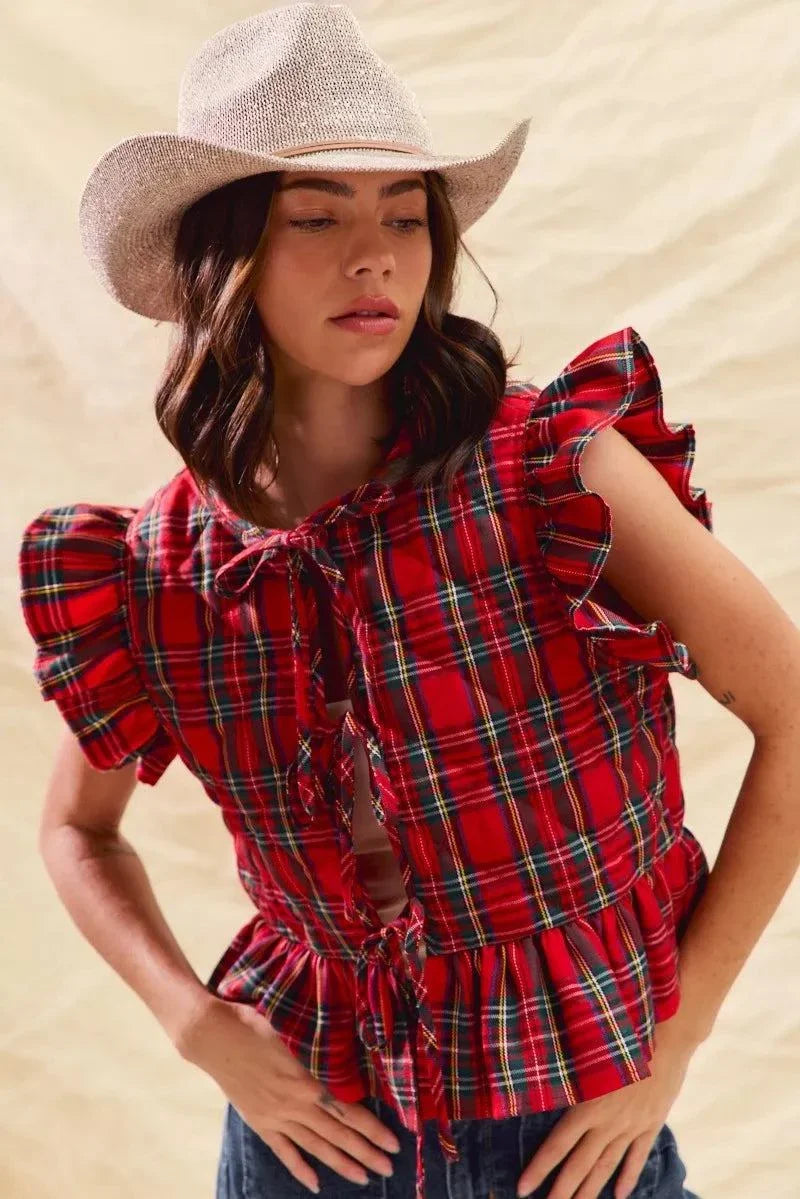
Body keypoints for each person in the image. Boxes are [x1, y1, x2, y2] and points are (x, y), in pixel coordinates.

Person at [17, 6, 800, 1199]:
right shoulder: (157, 568)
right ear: (220, 257)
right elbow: (77, 828)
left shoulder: (552, 472)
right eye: (316, 216)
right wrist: (194, 1021)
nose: (373, 256)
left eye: (402, 215)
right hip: (309, 1137)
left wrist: (672, 1039)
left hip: (575, 1122)